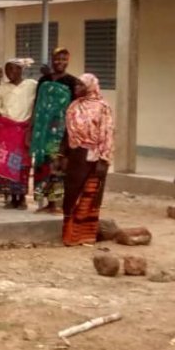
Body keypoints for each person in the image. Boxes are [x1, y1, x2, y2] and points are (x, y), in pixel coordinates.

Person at [62, 74, 115, 246]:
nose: (76, 87)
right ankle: (69, 235)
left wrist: (103, 159)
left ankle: (85, 235)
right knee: (71, 193)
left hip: (94, 156)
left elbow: (107, 133)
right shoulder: (74, 106)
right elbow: (67, 134)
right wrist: (62, 155)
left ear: (90, 86)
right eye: (75, 84)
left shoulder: (103, 107)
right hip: (76, 155)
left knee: (90, 195)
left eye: (80, 85)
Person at [31, 47, 81, 214]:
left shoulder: (72, 82)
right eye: (57, 59)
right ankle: (47, 203)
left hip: (60, 132)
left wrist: (69, 134)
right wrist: (32, 128)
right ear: (52, 60)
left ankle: (56, 204)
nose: (60, 62)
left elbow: (74, 109)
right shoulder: (43, 80)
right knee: (42, 166)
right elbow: (37, 105)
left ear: (68, 61)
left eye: (64, 59)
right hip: (42, 131)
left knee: (57, 167)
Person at [0, 59, 38, 209]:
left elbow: (36, 106)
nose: (10, 73)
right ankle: (10, 197)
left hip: (24, 130)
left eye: (13, 69)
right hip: (5, 130)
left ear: (21, 70)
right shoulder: (1, 89)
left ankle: (21, 197)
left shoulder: (32, 85)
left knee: (22, 165)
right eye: (7, 70)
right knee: (6, 164)